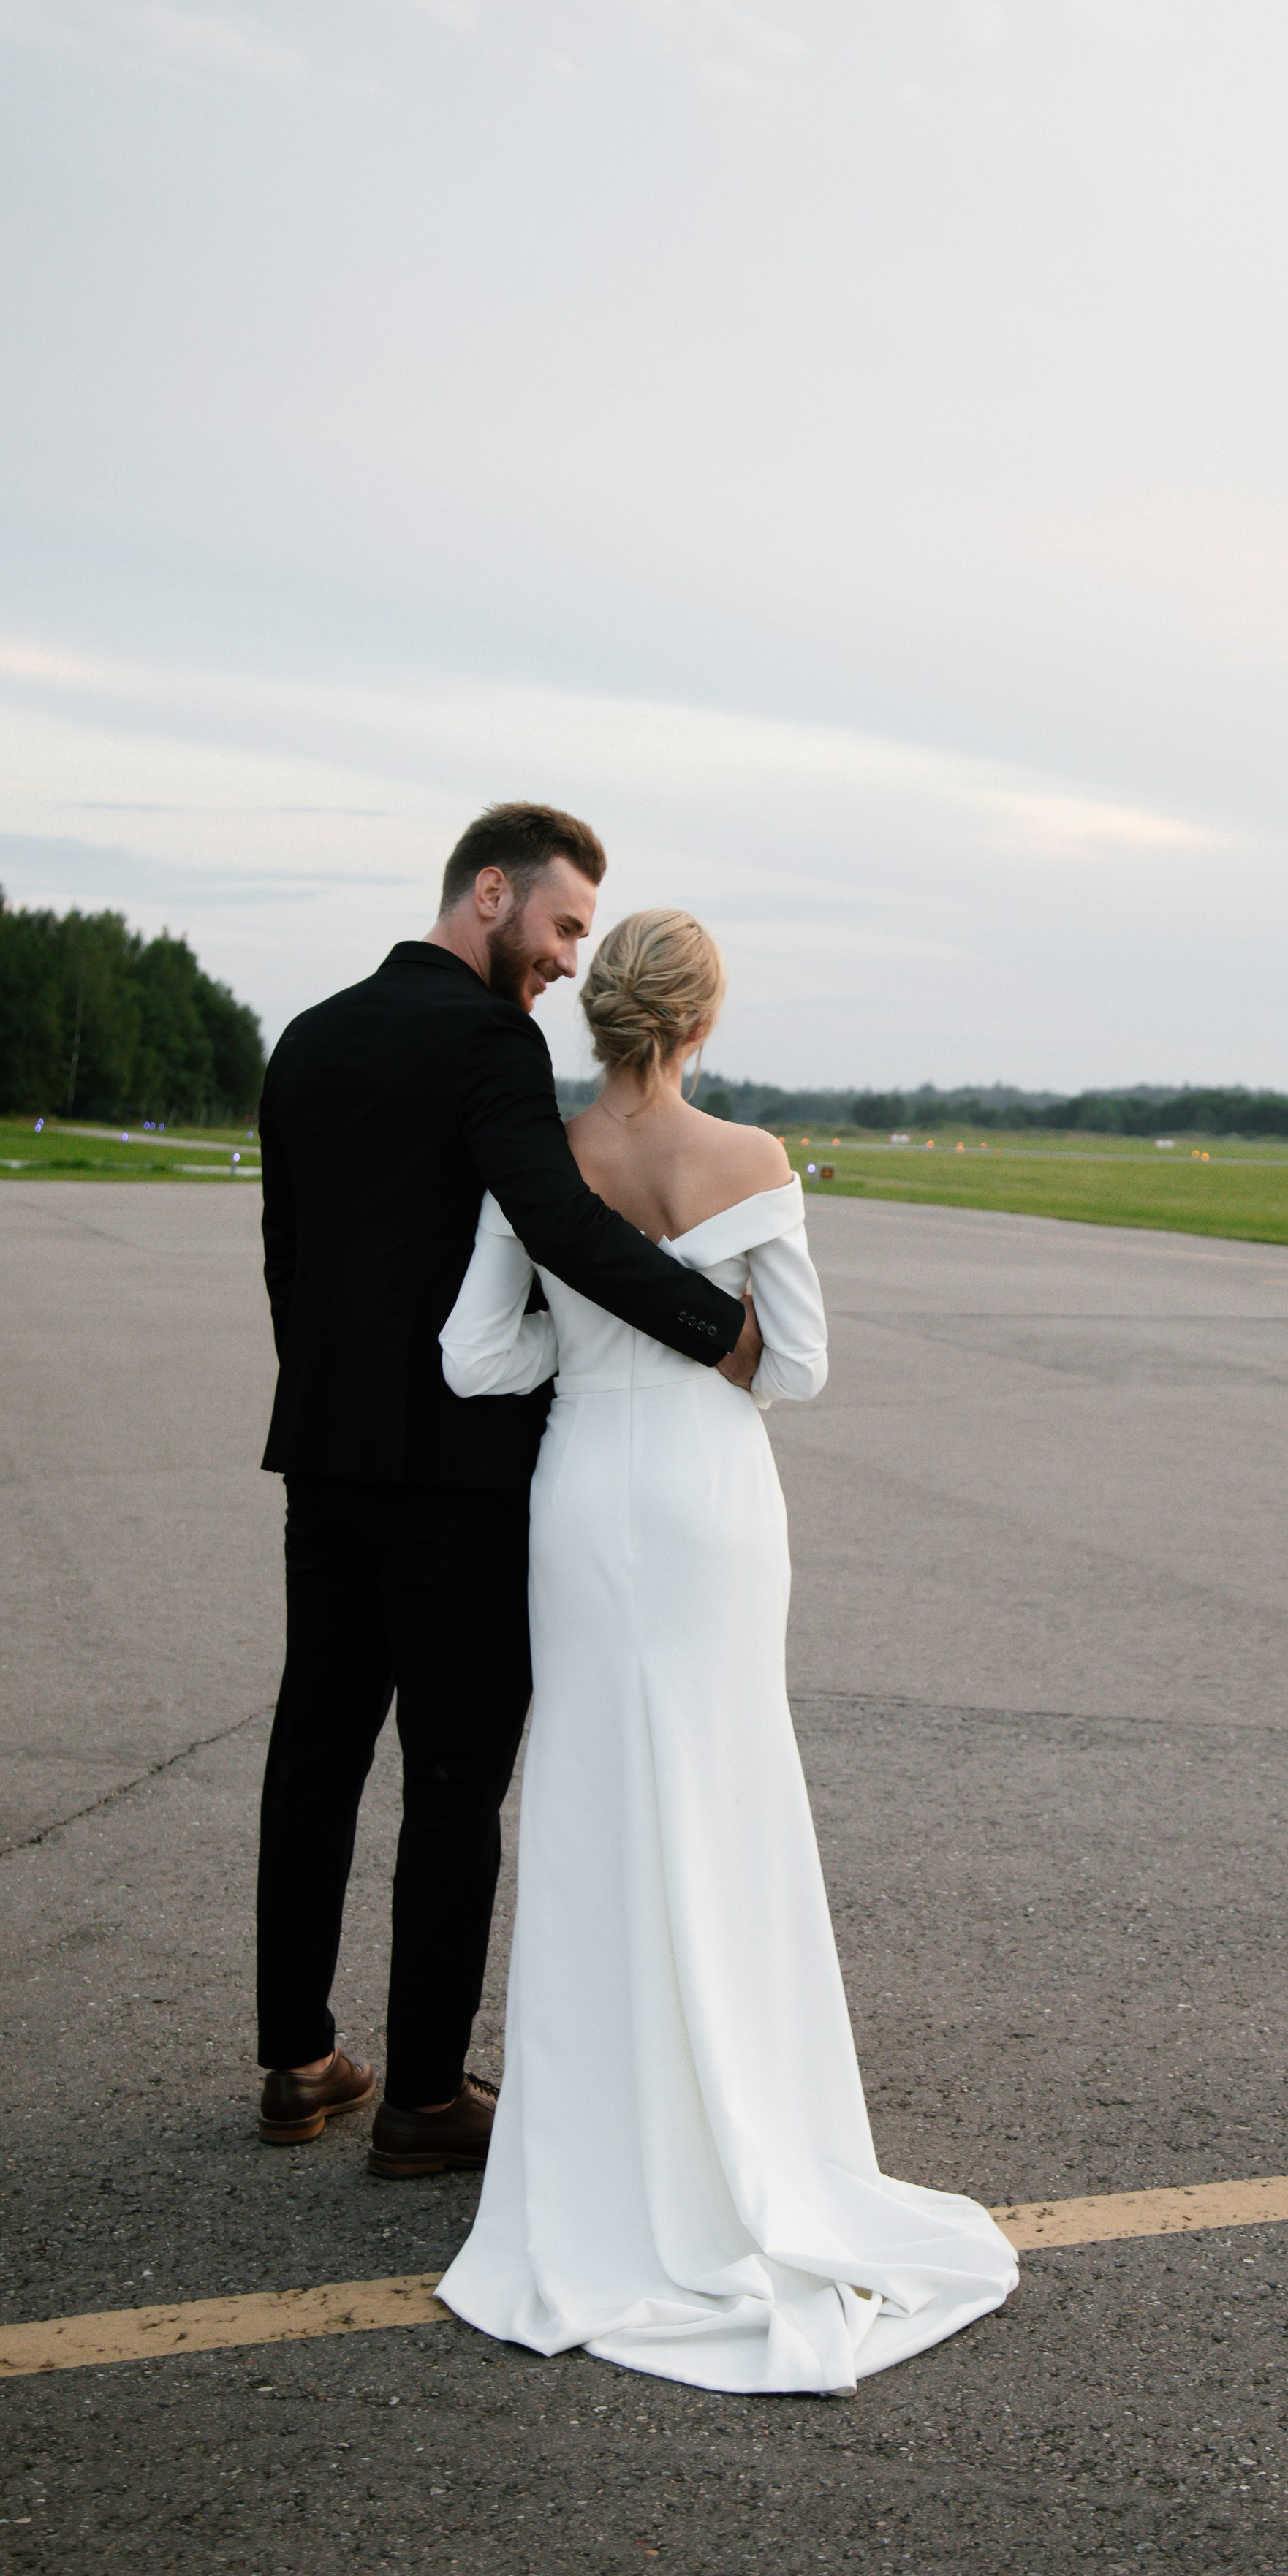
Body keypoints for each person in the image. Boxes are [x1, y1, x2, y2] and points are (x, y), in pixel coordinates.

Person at [433, 908, 1017, 2393]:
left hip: (579, 1494)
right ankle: (749, 2130)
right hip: (706, 1499)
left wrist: (584, 1348)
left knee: (591, 1790)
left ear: (599, 1020)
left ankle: (603, 2154)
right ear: (698, 1025)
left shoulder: (546, 1162)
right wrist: (708, 1341)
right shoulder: (753, 1161)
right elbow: (802, 1369)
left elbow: (473, 1355)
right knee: (725, 1782)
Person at [253, 806, 759, 2178]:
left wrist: (334, 1407)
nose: (564, 960)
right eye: (562, 926)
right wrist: (717, 1330)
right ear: (492, 891)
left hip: (326, 1461)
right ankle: (422, 2095)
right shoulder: (487, 1044)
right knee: (454, 1783)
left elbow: (287, 1262)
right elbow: (559, 1223)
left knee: (315, 1751)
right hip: (459, 1483)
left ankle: (297, 2062)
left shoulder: (305, 1037)